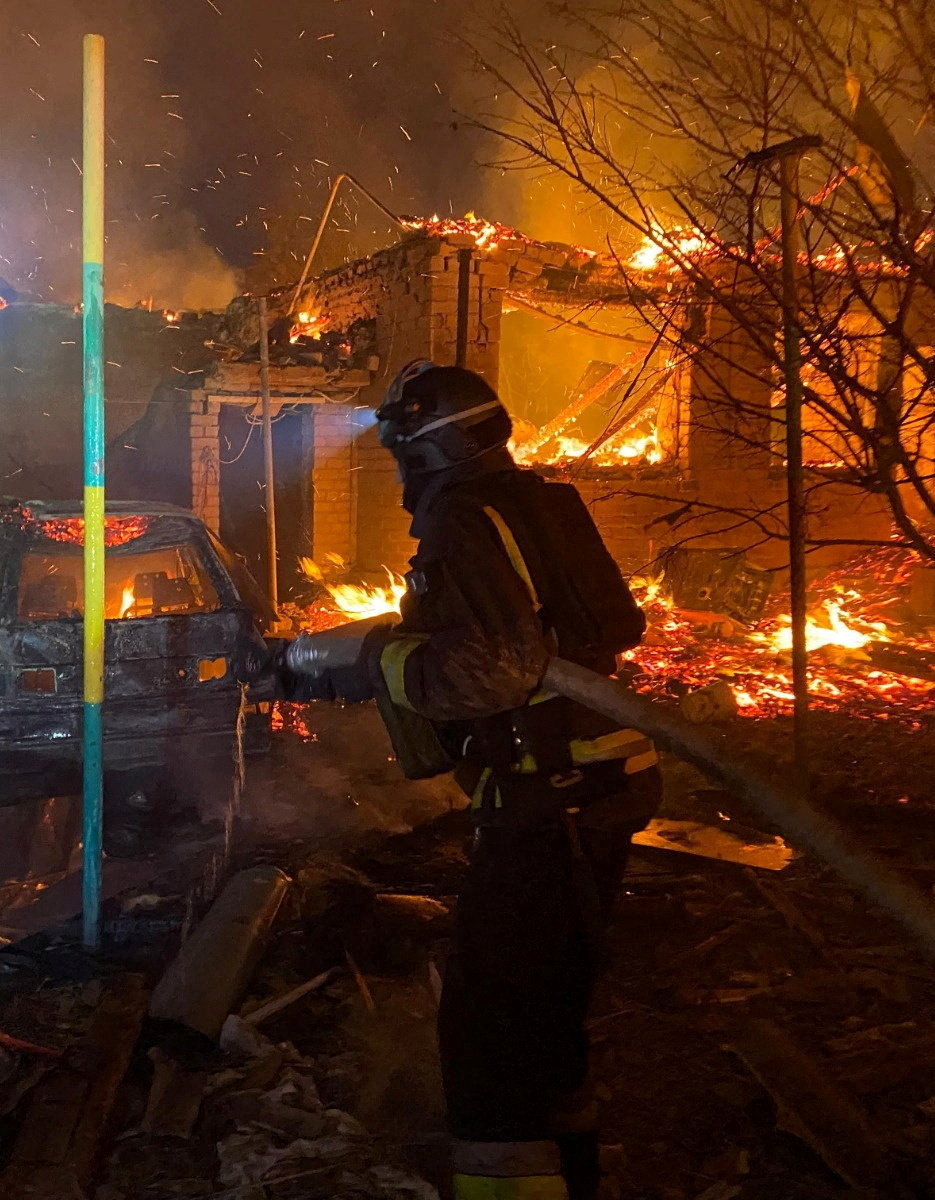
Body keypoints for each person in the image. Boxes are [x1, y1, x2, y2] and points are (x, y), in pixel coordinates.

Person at [283, 361, 662, 1200]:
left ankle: (508, 1184)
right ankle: (573, 1170)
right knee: (549, 1006)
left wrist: (387, 663)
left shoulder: (462, 518)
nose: (397, 472)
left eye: (399, 452)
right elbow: (566, 630)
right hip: (602, 785)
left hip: (547, 800)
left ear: (429, 447)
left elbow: (493, 669)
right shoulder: (539, 503)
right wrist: (339, 657)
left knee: (487, 1027)